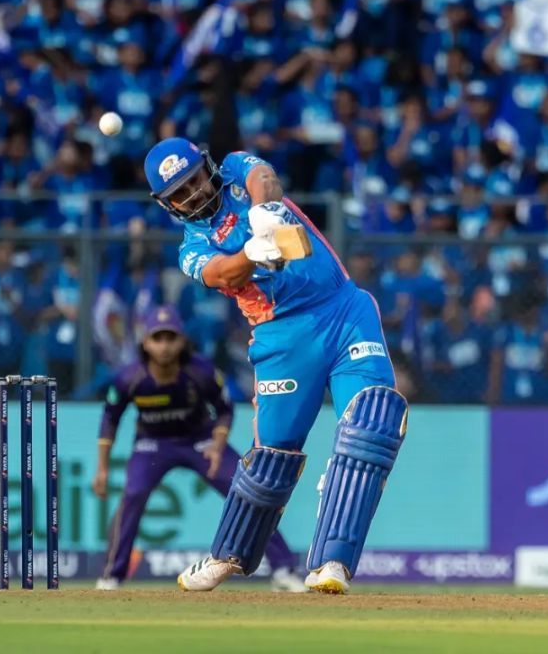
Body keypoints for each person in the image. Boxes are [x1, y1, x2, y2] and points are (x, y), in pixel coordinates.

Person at [143, 138, 410, 594]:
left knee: (373, 424)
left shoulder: (234, 169)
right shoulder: (190, 248)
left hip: (343, 311)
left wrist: (263, 214)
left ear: (207, 167)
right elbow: (223, 275)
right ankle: (227, 553)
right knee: (272, 458)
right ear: (167, 205)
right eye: (180, 194)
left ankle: (332, 563)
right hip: (281, 336)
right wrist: (251, 254)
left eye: (195, 181)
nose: (194, 195)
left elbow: (264, 177)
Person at [92, 305, 305, 592]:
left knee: (248, 493)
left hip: (200, 441)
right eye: (158, 338)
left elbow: (224, 410)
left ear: (182, 340)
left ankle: (283, 569)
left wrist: (217, 447)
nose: (165, 346)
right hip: (152, 443)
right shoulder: (129, 377)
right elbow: (110, 419)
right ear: (145, 342)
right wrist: (102, 469)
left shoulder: (200, 370)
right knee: (133, 495)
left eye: (171, 338)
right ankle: (111, 576)